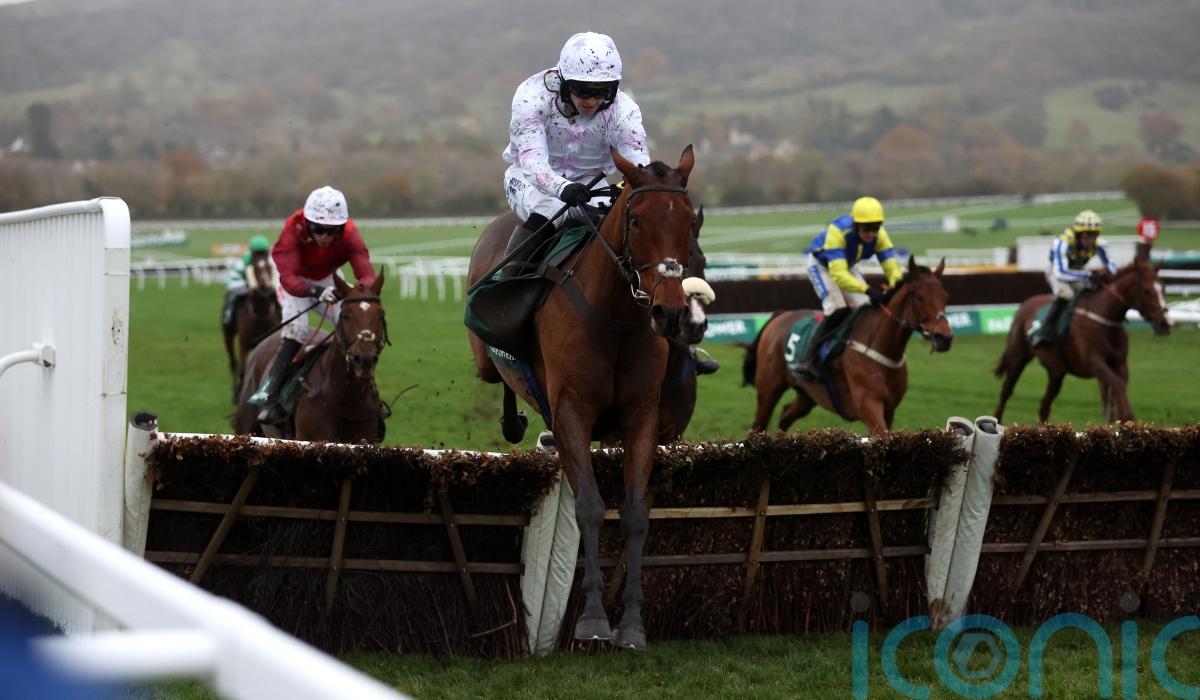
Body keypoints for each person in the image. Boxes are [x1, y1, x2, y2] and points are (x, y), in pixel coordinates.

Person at [499, 31, 650, 279]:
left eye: (603, 92)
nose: (592, 101)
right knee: (552, 207)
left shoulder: (624, 110)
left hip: (590, 184)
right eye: (583, 90)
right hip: (529, 180)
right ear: (564, 82)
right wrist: (562, 188)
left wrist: (634, 186)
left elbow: (640, 166)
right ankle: (507, 286)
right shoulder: (531, 97)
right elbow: (532, 163)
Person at [249, 186, 376, 424]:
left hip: (328, 278)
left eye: (332, 231)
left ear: (342, 228)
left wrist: (358, 294)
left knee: (355, 325)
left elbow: (366, 274)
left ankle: (367, 392)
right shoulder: (292, 230)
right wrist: (316, 291)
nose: (325, 237)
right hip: (295, 282)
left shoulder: (350, 234)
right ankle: (271, 390)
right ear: (308, 224)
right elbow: (288, 278)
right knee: (297, 329)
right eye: (318, 229)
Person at [792, 196, 903, 379]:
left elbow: (892, 268)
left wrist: (896, 287)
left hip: (846, 265)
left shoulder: (880, 235)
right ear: (856, 225)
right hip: (821, 266)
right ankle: (808, 359)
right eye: (866, 228)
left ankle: (854, 353)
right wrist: (868, 289)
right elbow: (838, 275)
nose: (871, 234)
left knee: (865, 308)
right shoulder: (838, 230)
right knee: (836, 308)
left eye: (875, 228)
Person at [1033, 209, 1116, 347]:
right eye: (1086, 234)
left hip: (1077, 270)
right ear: (1078, 233)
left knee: (1094, 291)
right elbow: (1061, 273)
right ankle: (1046, 330)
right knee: (1066, 294)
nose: (1090, 239)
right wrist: (1088, 275)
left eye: (1094, 234)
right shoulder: (1062, 243)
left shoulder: (1100, 244)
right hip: (1055, 272)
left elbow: (1112, 266)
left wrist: (1105, 274)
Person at [220, 235, 273, 334]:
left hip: (266, 289)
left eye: (263, 253)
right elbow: (232, 280)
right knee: (231, 297)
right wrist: (247, 287)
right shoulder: (243, 262)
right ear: (252, 253)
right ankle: (228, 318)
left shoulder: (271, 261)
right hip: (245, 288)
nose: (260, 257)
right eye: (257, 254)